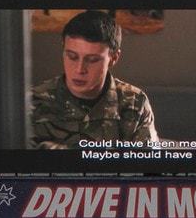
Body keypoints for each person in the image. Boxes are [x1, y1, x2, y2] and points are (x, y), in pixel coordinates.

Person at [29, 10, 158, 149]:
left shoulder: (134, 103)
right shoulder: (33, 102)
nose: (79, 69)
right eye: (72, 56)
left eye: (92, 60)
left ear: (114, 58)